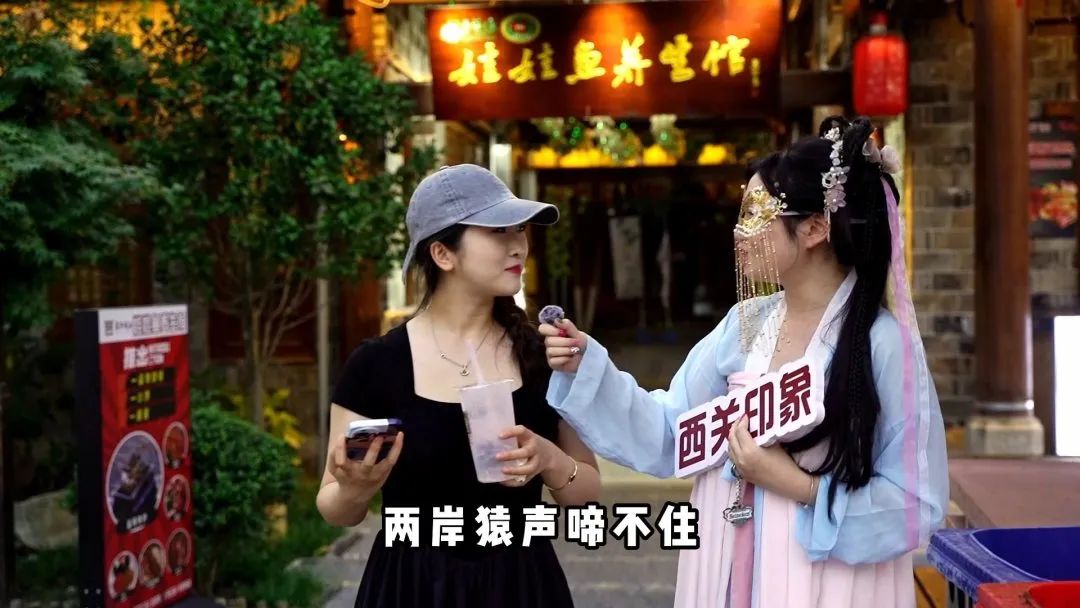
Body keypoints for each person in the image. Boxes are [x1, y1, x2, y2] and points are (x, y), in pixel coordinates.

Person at [541, 117, 948, 608]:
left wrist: (799, 485)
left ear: (815, 227)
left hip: (829, 581)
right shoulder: (745, 325)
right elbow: (672, 432)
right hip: (725, 560)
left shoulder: (882, 344)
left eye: (756, 213)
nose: (738, 231)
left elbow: (913, 504)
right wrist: (587, 366)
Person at [317, 164, 601, 608]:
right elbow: (333, 507)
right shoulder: (376, 365)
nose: (518, 245)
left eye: (520, 230)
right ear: (442, 254)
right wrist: (355, 488)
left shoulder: (542, 356)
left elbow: (586, 492)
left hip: (521, 585)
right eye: (497, 231)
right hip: (410, 588)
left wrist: (549, 458)